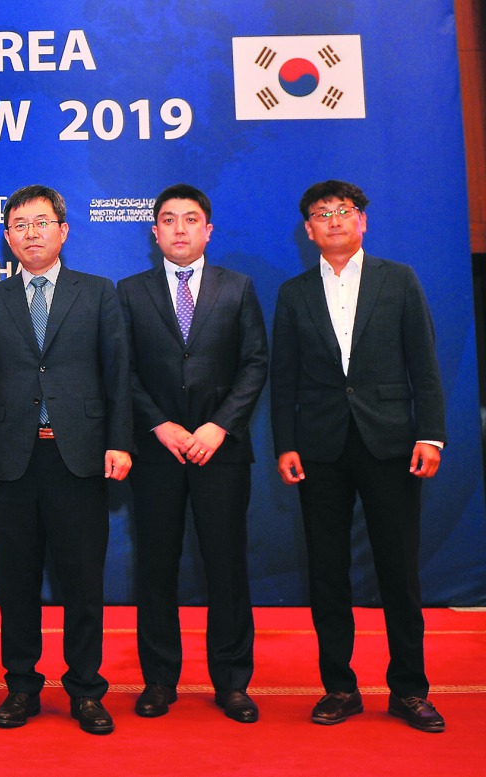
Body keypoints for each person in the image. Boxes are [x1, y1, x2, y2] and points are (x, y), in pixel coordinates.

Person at [271, 180, 447, 733]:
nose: (334, 220)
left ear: (362, 220)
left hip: (392, 445)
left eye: (344, 211)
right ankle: (340, 688)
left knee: (399, 571)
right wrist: (286, 443)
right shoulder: (293, 293)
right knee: (327, 573)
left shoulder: (398, 281)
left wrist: (432, 435)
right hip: (320, 449)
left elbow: (424, 364)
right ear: (308, 230)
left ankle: (410, 690)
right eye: (322, 214)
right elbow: (284, 380)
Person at [0, 185, 132, 734]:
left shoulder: (98, 292)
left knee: (82, 582)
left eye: (41, 222)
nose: (31, 232)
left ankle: (85, 689)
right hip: (13, 459)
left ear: (63, 231)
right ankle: (21, 688)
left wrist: (119, 440)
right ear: (7, 236)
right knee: (16, 584)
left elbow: (117, 376)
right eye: (20, 224)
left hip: (78, 457)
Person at [117, 184, 267, 723]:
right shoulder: (129, 292)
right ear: (153, 231)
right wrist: (158, 424)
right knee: (155, 568)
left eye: (191, 219)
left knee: (226, 567)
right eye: (169, 220)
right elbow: (122, 370)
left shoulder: (238, 288)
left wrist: (218, 427)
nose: (180, 229)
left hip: (220, 454)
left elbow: (255, 364)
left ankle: (231, 681)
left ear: (208, 230)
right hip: (156, 453)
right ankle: (159, 679)